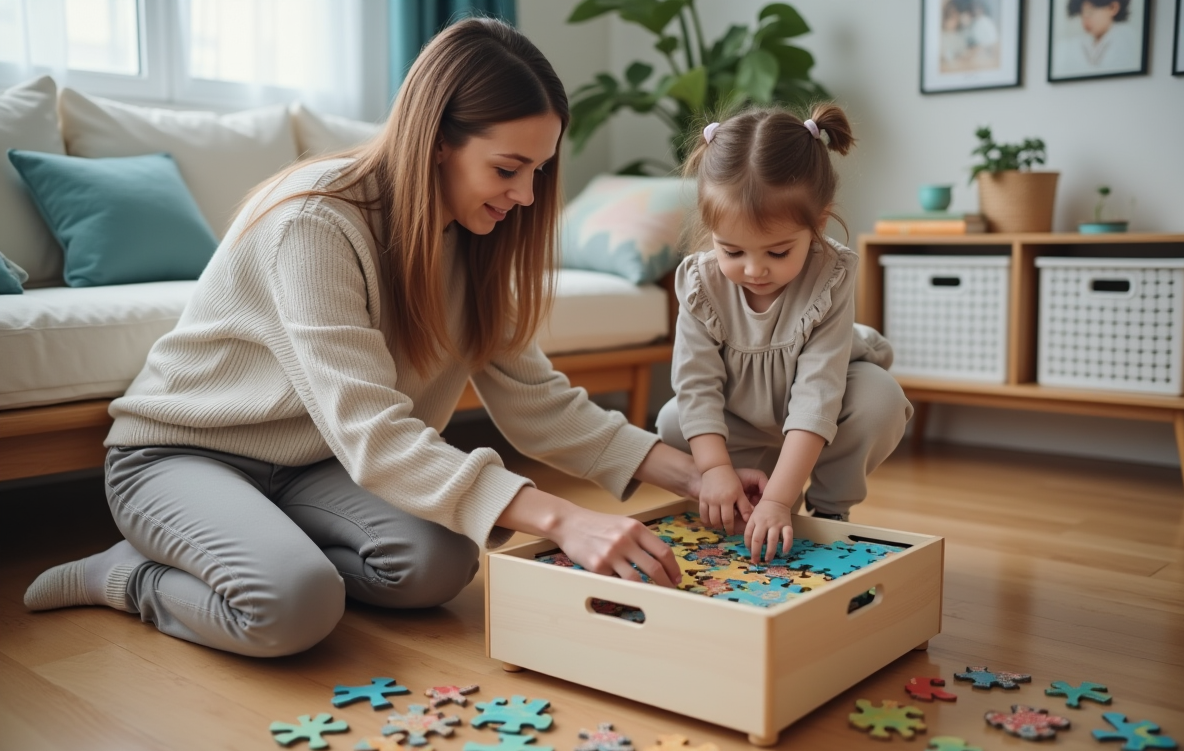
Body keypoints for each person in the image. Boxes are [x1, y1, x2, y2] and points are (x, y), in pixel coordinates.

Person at [22, 18, 766, 657]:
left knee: (439, 563)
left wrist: (696, 476)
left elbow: (539, 400)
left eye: (538, 170)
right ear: (437, 138)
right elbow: (376, 435)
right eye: (508, 169)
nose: (526, 196)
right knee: (293, 608)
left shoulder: (474, 239)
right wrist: (563, 516)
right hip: (182, 453)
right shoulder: (313, 224)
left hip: (316, 462)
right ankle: (128, 576)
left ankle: (259, 544)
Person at [655, 105, 912, 566]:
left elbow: (817, 394)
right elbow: (695, 386)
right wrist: (715, 471)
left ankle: (829, 508)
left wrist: (780, 500)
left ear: (818, 222)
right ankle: (745, 499)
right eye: (731, 250)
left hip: (825, 409)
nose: (754, 270)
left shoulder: (830, 274)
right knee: (673, 420)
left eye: (777, 250)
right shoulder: (699, 282)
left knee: (881, 400)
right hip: (743, 413)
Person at [1053, 0, 1141, 77]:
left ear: (1113, 8)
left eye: (1090, 13)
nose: (1085, 20)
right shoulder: (1076, 44)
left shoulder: (1127, 39)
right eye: (1082, 15)